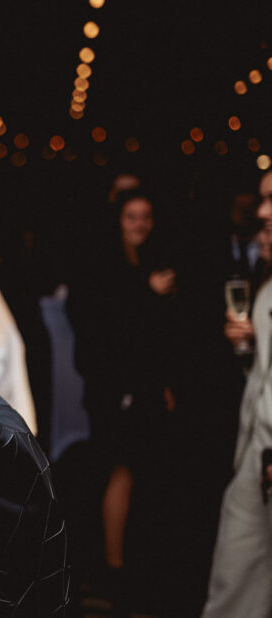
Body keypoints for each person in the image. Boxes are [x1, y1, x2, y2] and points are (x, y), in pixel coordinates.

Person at [69, 188, 177, 613]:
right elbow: (108, 331)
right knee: (120, 471)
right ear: (119, 220)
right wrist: (146, 291)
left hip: (142, 389)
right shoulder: (109, 265)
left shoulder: (146, 262)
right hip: (114, 389)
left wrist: (163, 385)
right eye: (132, 216)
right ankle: (112, 571)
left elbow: (155, 339)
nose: (140, 225)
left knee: (135, 472)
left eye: (146, 217)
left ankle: (123, 566)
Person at [203, 169, 272, 617]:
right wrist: (247, 347)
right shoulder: (266, 291)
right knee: (236, 572)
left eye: (271, 200)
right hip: (256, 453)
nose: (262, 211)